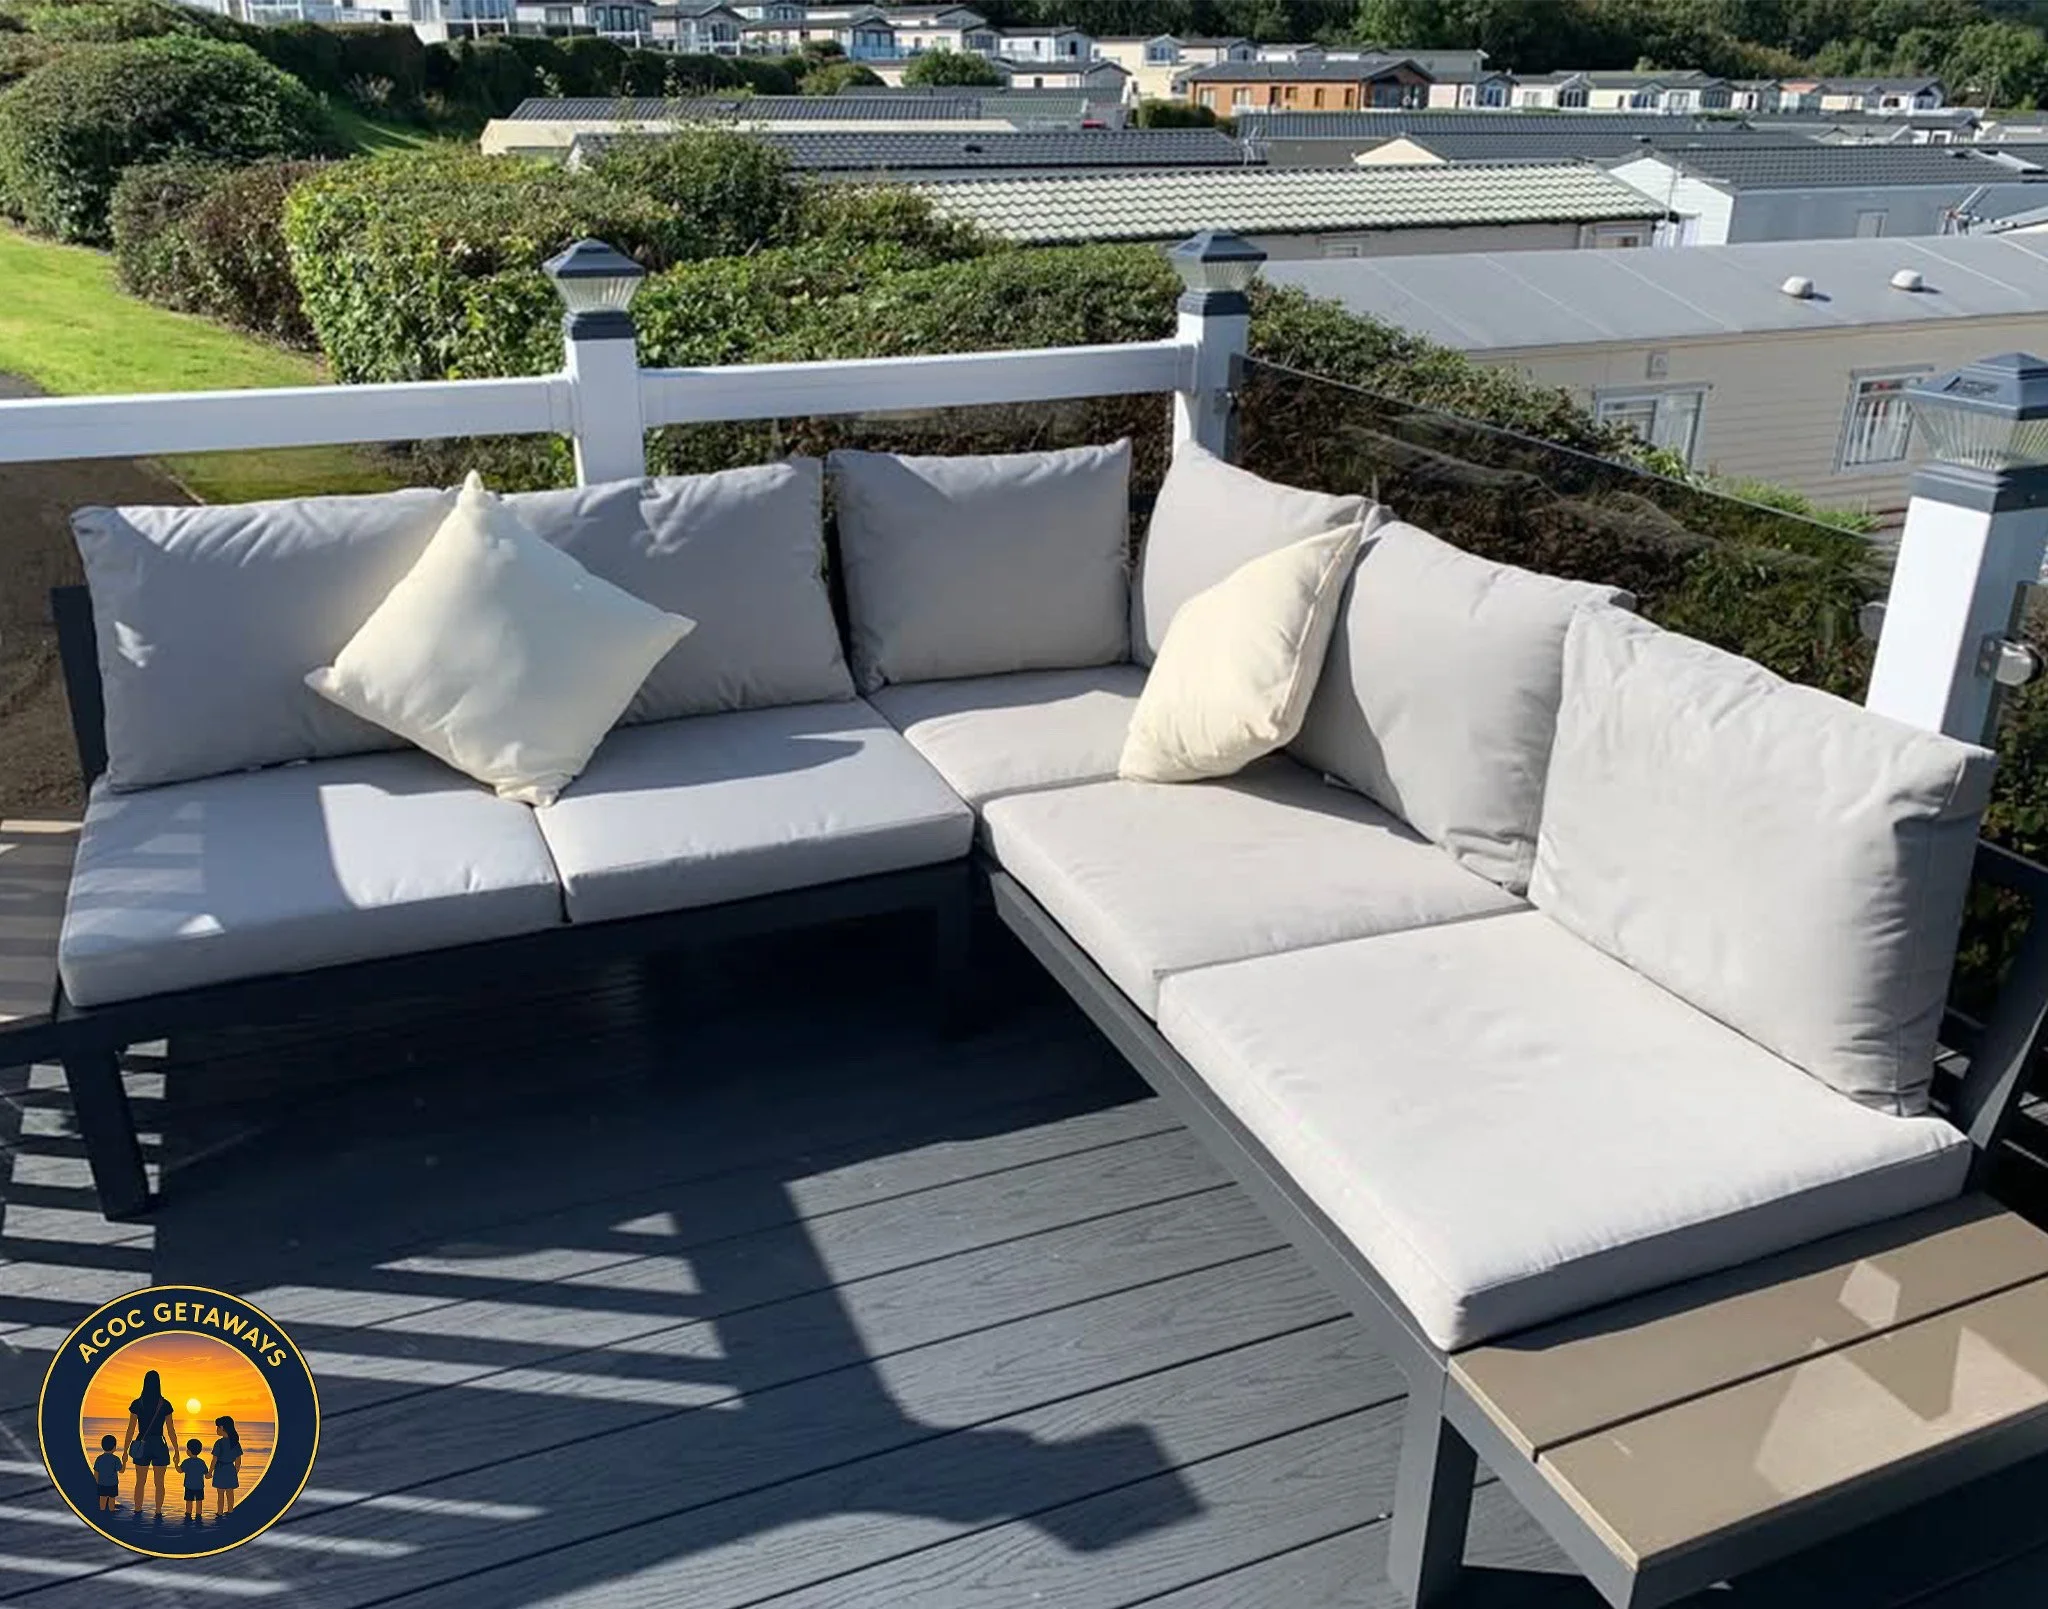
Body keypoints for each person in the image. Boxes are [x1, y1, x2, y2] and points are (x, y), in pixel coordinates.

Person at [122, 1369, 178, 1518]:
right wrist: (177, 1451)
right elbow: (171, 1430)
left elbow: (130, 1429)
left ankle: (138, 1510)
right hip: (159, 1444)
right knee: (159, 1483)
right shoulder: (165, 1404)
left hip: (142, 1443)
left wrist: (124, 1452)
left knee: (140, 1481)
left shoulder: (137, 1403)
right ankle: (158, 1512)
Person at [211, 1416, 241, 1516]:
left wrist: (210, 1471)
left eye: (217, 1427)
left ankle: (219, 1512)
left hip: (220, 1469)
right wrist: (235, 1471)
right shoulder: (235, 1442)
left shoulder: (219, 1443)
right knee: (230, 1492)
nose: (216, 1430)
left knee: (220, 1494)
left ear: (222, 1427)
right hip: (230, 1469)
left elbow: (214, 1459)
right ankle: (230, 1510)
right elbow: (238, 1459)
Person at [179, 1439, 208, 1521]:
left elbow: (180, 1470)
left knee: (189, 1501)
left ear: (189, 1451)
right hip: (199, 1486)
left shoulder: (186, 1462)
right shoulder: (201, 1462)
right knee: (199, 1501)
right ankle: (198, 1516)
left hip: (189, 1486)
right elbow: (206, 1473)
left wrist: (175, 1464)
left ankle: (188, 1515)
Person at [91, 1434, 123, 1513]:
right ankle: (111, 1511)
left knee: (102, 1498)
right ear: (114, 1447)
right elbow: (121, 1470)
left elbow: (96, 1472)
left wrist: (96, 1483)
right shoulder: (116, 1459)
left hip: (102, 1484)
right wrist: (124, 1462)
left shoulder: (99, 1458)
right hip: (113, 1484)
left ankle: (102, 1511)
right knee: (112, 1499)